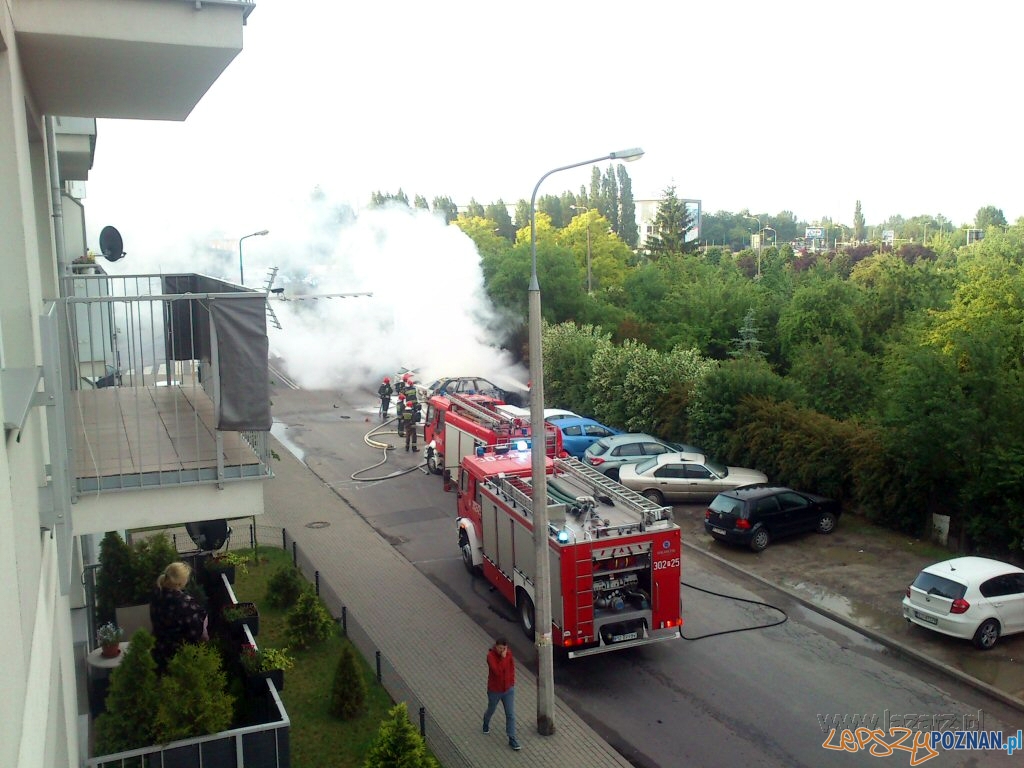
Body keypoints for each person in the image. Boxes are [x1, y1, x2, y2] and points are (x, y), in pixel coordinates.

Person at [150, 561, 207, 672]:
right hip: (181, 659)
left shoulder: (157, 594)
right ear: (180, 583)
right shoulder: (184, 603)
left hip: (159, 654)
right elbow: (196, 633)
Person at [483, 636, 519, 750]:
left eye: (503, 648)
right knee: (491, 709)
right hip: (495, 690)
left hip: (508, 689)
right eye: (499, 648)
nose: (501, 651)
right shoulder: (490, 656)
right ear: (496, 646)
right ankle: (486, 722)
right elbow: (497, 671)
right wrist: (503, 659)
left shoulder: (508, 654)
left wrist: (511, 682)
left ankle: (512, 738)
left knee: (510, 714)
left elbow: (512, 668)